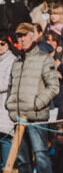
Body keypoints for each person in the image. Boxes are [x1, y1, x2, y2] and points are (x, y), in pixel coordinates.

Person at [6, 22, 60, 173]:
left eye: (25, 36)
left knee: (40, 154)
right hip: (18, 117)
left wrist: (37, 104)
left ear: (32, 37)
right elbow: (11, 87)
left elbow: (54, 87)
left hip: (36, 117)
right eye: (19, 36)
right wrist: (10, 105)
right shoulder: (17, 62)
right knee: (22, 159)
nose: (22, 39)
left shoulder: (44, 59)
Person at [0, 32, 16, 169]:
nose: (0, 47)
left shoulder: (12, 61)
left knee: (5, 141)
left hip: (5, 108)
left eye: (2, 44)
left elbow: (7, 82)